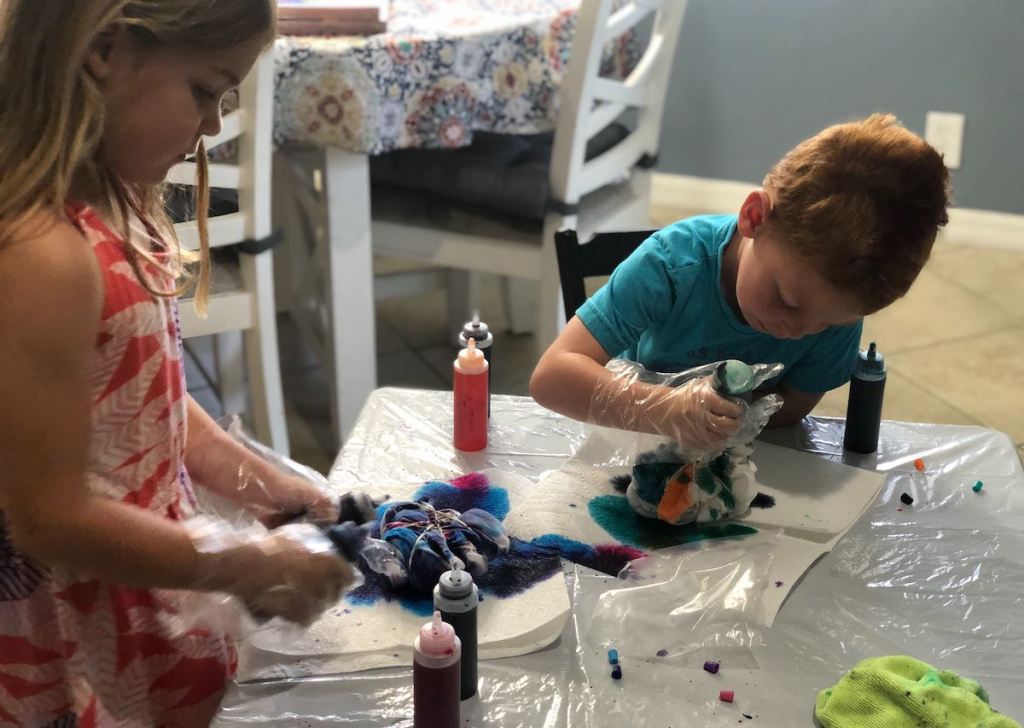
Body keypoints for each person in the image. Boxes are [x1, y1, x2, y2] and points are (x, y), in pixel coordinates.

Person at [0, 2, 357, 724]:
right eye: (204, 91)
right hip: (77, 629)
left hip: (148, 577)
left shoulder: (118, 196)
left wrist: (263, 482)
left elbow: (142, 396)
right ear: (104, 49)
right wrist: (243, 563)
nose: (213, 126)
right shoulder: (43, 256)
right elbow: (48, 518)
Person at [531, 114, 950, 451]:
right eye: (785, 301)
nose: (798, 330)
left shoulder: (832, 313)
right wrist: (667, 409)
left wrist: (727, 420)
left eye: (824, 324)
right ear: (754, 218)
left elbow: (792, 410)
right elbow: (551, 378)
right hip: (631, 439)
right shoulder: (672, 266)